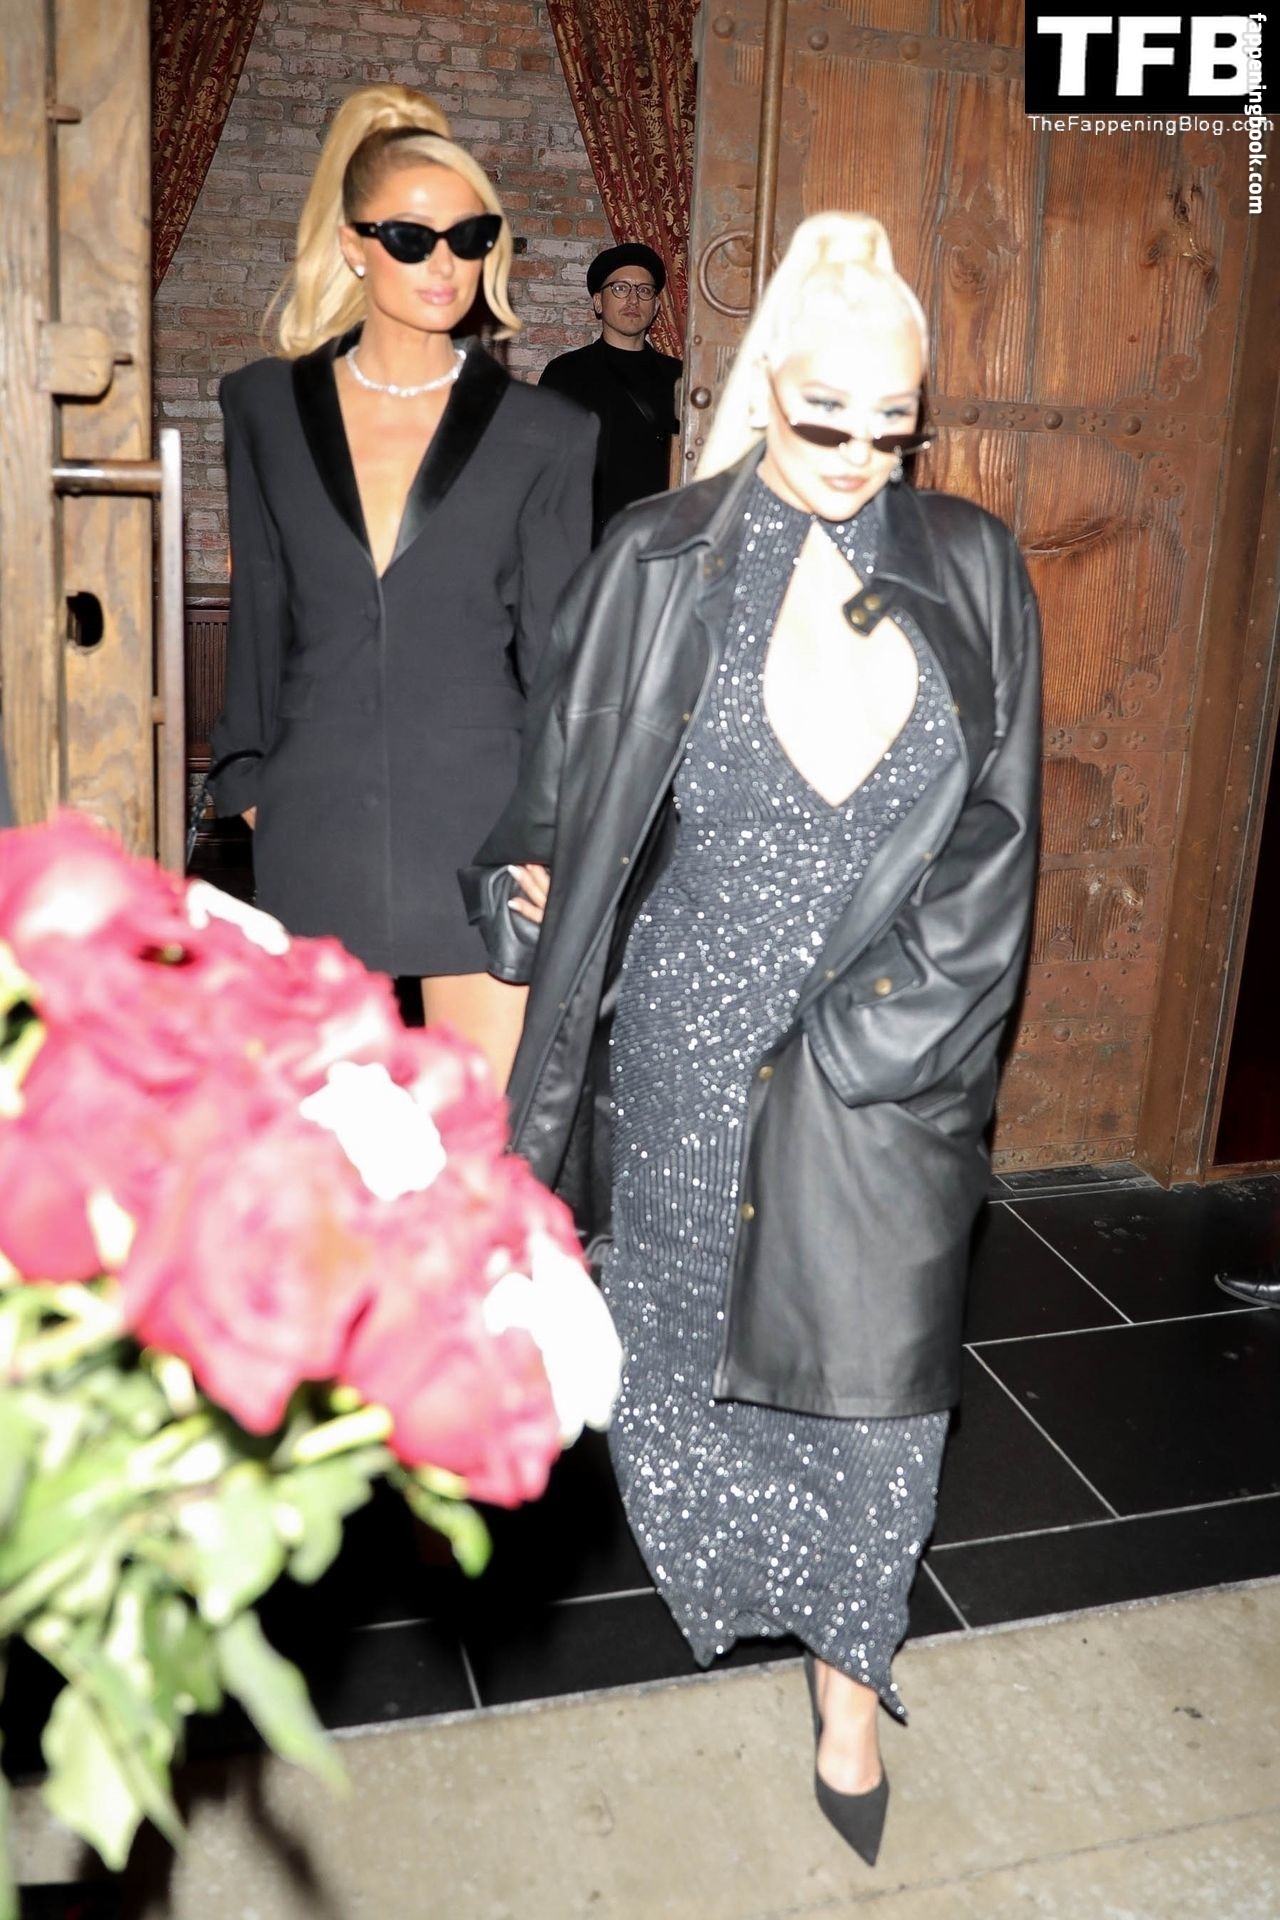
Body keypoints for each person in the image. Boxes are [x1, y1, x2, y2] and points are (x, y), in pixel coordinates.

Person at [462, 213, 1041, 1864]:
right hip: (688, 1035)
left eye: (891, 425)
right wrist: (523, 896)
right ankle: (734, 1579)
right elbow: (556, 802)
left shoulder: (975, 566)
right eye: (822, 415)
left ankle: (851, 1681)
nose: (857, 456)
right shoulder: (658, 556)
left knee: (878, 1400)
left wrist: (883, 1047)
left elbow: (1000, 839)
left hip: (886, 1055)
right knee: (687, 1364)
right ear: (762, 381)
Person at [209, 85, 595, 1084]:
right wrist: (247, 782)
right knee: (329, 1139)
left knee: (483, 1136)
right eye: (412, 239)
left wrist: (554, 831)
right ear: (353, 246)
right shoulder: (262, 406)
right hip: (315, 808)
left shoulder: (547, 432)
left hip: (486, 819)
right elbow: (261, 604)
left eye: (470, 237)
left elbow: (560, 654)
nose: (446, 264)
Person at [538, 243, 681, 542]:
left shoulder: (680, 376)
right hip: (583, 541)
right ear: (598, 302)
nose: (633, 299)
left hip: (659, 537)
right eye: (620, 288)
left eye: (644, 290)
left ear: (656, 306)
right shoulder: (565, 373)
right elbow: (542, 467)